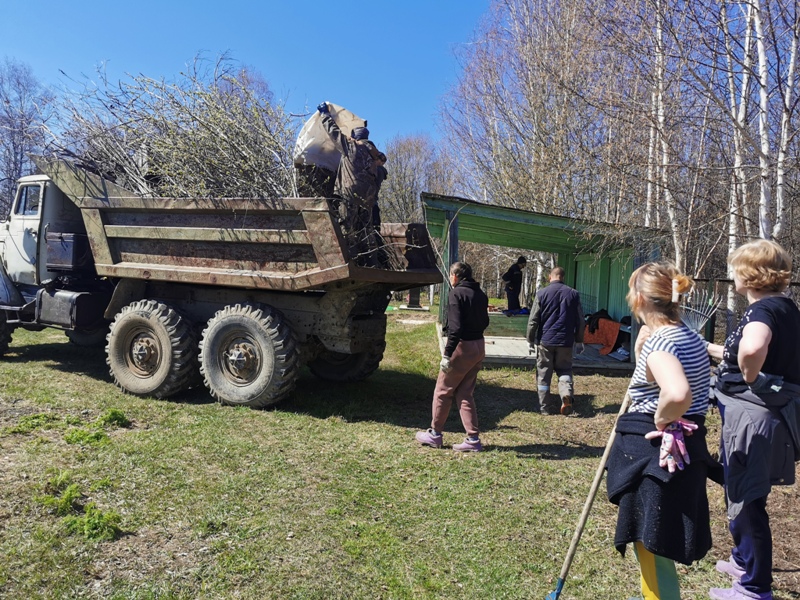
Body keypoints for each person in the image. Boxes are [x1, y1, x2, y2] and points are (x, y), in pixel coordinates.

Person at [606, 262, 722, 600]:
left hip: (656, 457)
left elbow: (677, 393)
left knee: (652, 543)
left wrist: (660, 420)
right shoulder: (689, 336)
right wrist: (644, 350)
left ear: (640, 298)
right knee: (656, 542)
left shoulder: (663, 343)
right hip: (683, 449)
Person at [706, 239, 800, 600]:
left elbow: (752, 348)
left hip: (754, 417)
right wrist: (710, 350)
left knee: (747, 498)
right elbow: (739, 351)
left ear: (748, 274)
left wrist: (748, 375)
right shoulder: (784, 308)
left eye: (734, 269)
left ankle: (753, 588)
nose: (732, 275)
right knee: (739, 487)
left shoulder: (763, 312)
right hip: (758, 415)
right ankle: (744, 560)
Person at [416, 261, 489, 452]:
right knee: (465, 393)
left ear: (455, 276)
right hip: (479, 346)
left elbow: (455, 329)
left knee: (442, 391)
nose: (450, 278)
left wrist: (447, 354)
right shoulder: (481, 294)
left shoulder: (456, 293)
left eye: (450, 275)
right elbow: (485, 321)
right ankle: (473, 439)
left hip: (462, 347)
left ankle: (434, 434)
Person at [316, 102, 385, 264]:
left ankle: (349, 263)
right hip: (368, 201)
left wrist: (325, 114)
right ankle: (372, 264)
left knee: (347, 229)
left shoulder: (352, 146)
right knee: (366, 232)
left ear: (355, 137)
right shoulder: (375, 157)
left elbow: (334, 133)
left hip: (350, 196)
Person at [526, 266, 585, 415]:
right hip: (565, 341)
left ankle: (544, 407)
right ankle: (566, 394)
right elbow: (580, 320)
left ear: (549, 277)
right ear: (563, 277)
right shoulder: (573, 294)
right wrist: (579, 340)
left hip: (546, 341)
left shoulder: (541, 293)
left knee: (544, 373)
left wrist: (530, 339)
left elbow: (533, 320)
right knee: (565, 370)